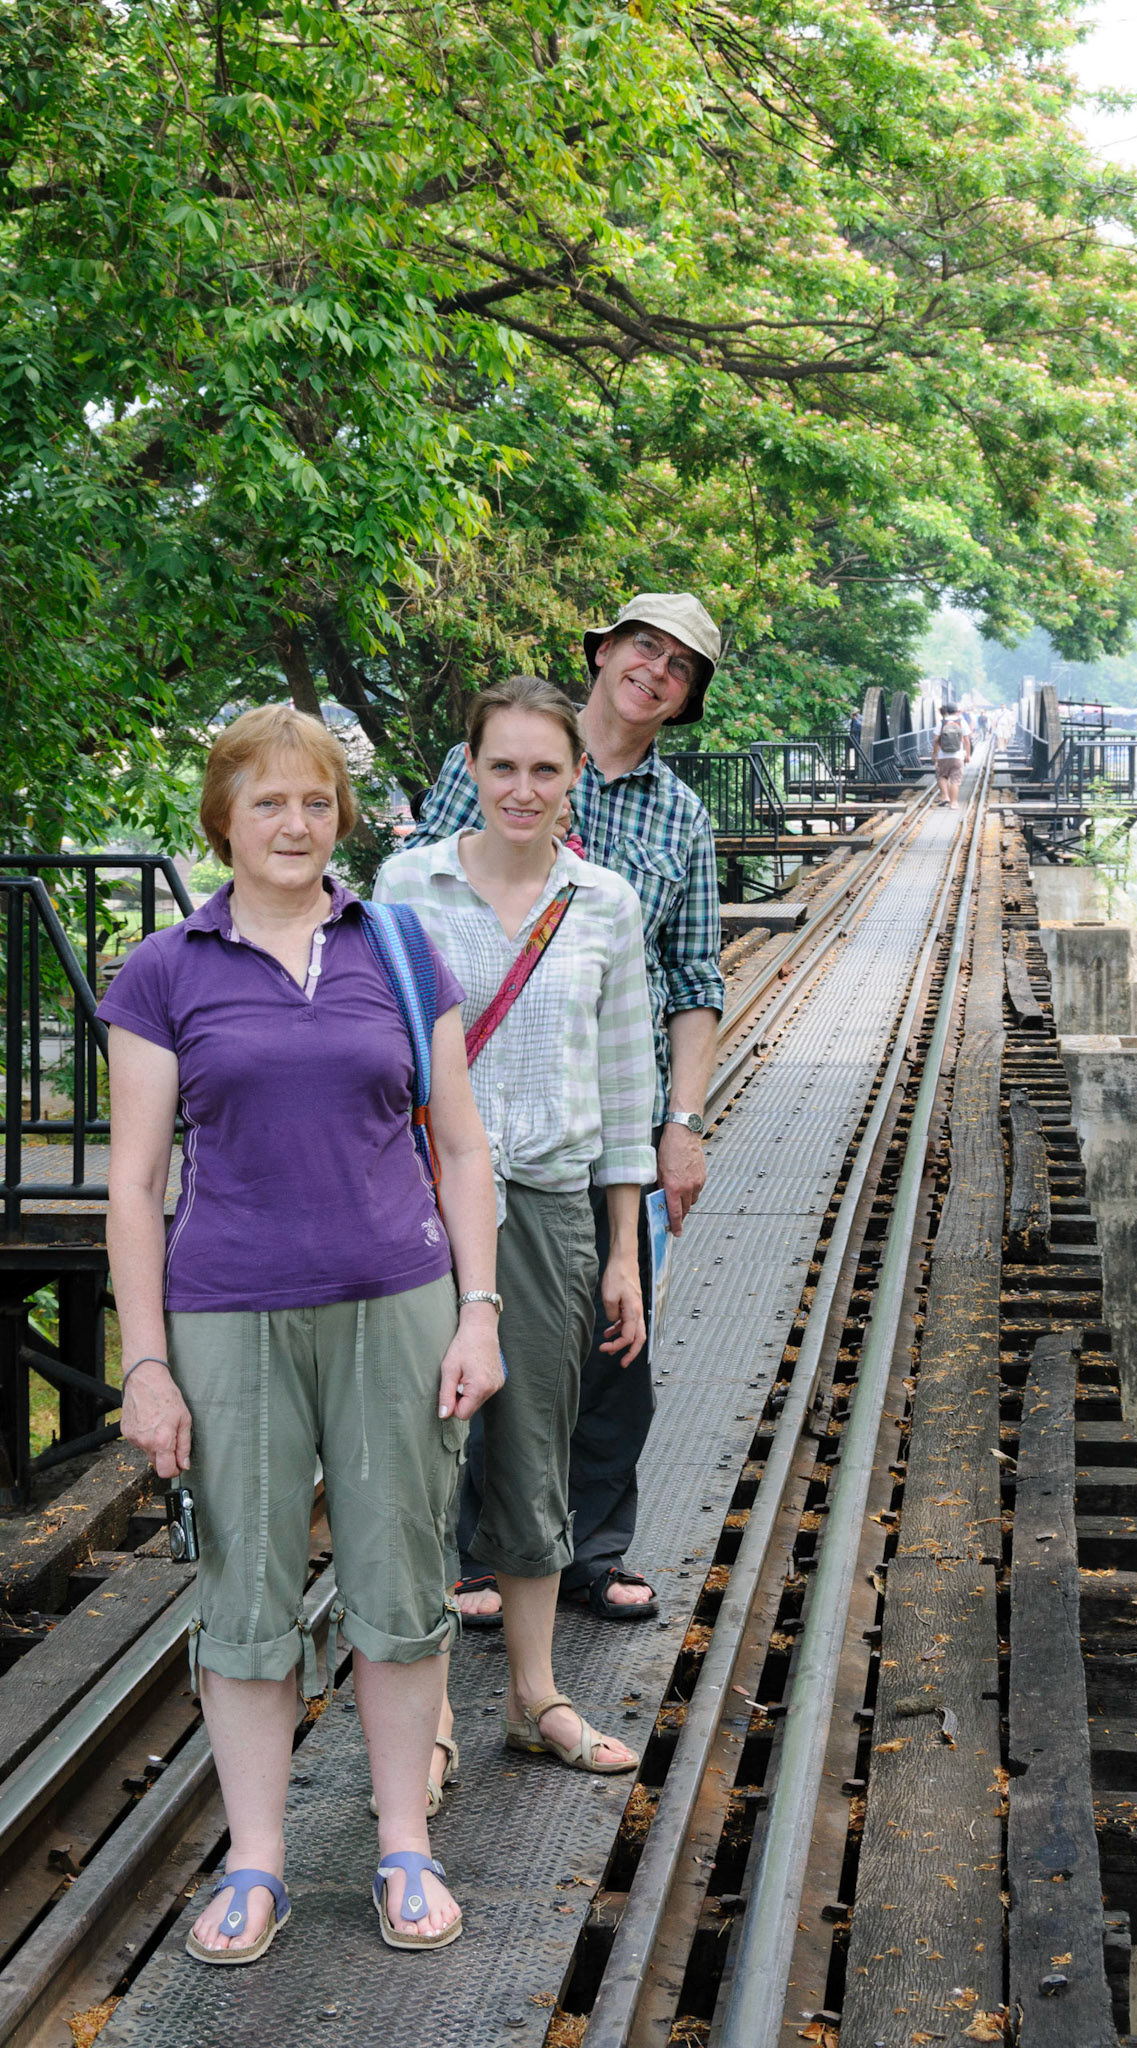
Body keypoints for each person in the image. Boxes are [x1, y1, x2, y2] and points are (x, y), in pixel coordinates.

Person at [102, 706, 502, 1962]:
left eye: (316, 801)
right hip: (228, 1315)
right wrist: (146, 1362)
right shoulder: (165, 970)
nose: (294, 823)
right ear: (223, 817)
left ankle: (403, 1843)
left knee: (399, 1578)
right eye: (268, 800)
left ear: (342, 817)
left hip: (397, 1302)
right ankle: (257, 1860)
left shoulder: (399, 946)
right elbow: (133, 1185)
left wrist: (479, 1310)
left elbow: (462, 1148)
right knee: (246, 1590)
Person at [408, 593, 725, 1627]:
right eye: (643, 645)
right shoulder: (501, 755)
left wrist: (682, 1121)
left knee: (610, 1341)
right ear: (603, 651)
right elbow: (423, 918)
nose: (654, 670)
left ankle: (589, 1550)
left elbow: (692, 975)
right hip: (475, 1107)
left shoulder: (679, 815)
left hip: (607, 1106)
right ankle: (474, 1550)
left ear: (685, 698)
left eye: (679, 665)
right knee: (466, 1317)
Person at [377, 674, 656, 1773]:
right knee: (423, 1448)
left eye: (546, 768)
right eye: (503, 766)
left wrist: (624, 1251)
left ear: (577, 775)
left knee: (537, 1441)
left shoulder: (605, 903)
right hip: (419, 1200)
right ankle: (431, 1711)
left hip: (547, 1201)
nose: (523, 789)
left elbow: (626, 1086)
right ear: (471, 768)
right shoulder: (408, 886)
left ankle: (534, 1695)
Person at [933, 701, 972, 809]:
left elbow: (935, 740)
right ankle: (953, 803)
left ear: (946, 711)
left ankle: (945, 797)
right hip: (957, 756)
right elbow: (967, 740)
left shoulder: (941, 723)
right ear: (956, 711)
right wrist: (968, 755)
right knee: (955, 779)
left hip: (943, 755)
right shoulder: (961, 722)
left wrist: (935, 754)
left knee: (942, 776)